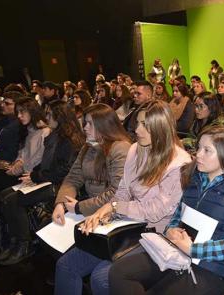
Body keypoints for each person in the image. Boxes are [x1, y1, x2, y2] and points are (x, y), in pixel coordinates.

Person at [109, 125, 224, 295]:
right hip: (175, 252)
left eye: (207, 150)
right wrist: (171, 230)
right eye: (199, 147)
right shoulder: (194, 177)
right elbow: (178, 214)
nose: (198, 154)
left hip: (210, 267)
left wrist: (193, 249)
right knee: (119, 272)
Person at [54, 100, 192, 295]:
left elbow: (156, 210)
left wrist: (115, 208)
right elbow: (122, 190)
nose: (137, 129)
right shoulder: (136, 149)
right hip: (126, 225)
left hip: (155, 234)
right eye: (137, 122)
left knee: (101, 278)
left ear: (161, 127)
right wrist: (104, 212)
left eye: (145, 125)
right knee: (66, 265)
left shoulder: (179, 162)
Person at [0, 100, 85, 265]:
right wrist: (34, 174)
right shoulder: (56, 135)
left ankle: (24, 245)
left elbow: (63, 172)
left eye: (49, 114)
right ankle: (15, 242)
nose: (46, 117)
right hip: (48, 179)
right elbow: (45, 162)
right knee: (5, 195)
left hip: (59, 186)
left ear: (59, 117)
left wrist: (36, 176)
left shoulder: (69, 140)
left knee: (13, 200)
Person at [52, 103, 131, 223]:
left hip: (111, 212)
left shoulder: (120, 149)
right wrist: (61, 203)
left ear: (103, 125)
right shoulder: (88, 146)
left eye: (90, 123)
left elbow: (117, 192)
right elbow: (73, 178)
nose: (84, 127)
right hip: (89, 206)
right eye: (85, 123)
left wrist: (80, 207)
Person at [0, 91, 22, 162]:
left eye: (7, 104)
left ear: (18, 107)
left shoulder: (19, 126)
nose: (2, 105)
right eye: (3, 102)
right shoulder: (2, 121)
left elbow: (10, 154)